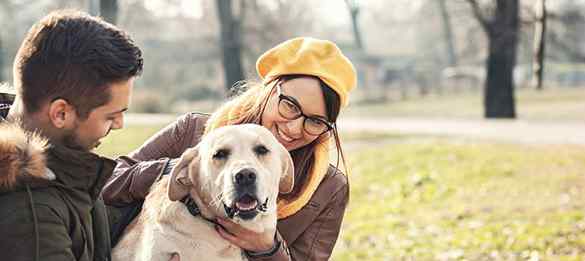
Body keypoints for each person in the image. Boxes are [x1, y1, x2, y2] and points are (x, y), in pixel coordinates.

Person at [102, 37, 357, 260]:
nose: (293, 128)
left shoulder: (329, 188)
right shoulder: (193, 131)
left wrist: (267, 249)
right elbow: (104, 181)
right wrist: (177, 169)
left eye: (314, 121)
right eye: (289, 105)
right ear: (268, 91)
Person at [0, 10, 143, 261]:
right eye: (110, 116)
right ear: (61, 113)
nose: (119, 124)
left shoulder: (61, 167)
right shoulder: (30, 216)